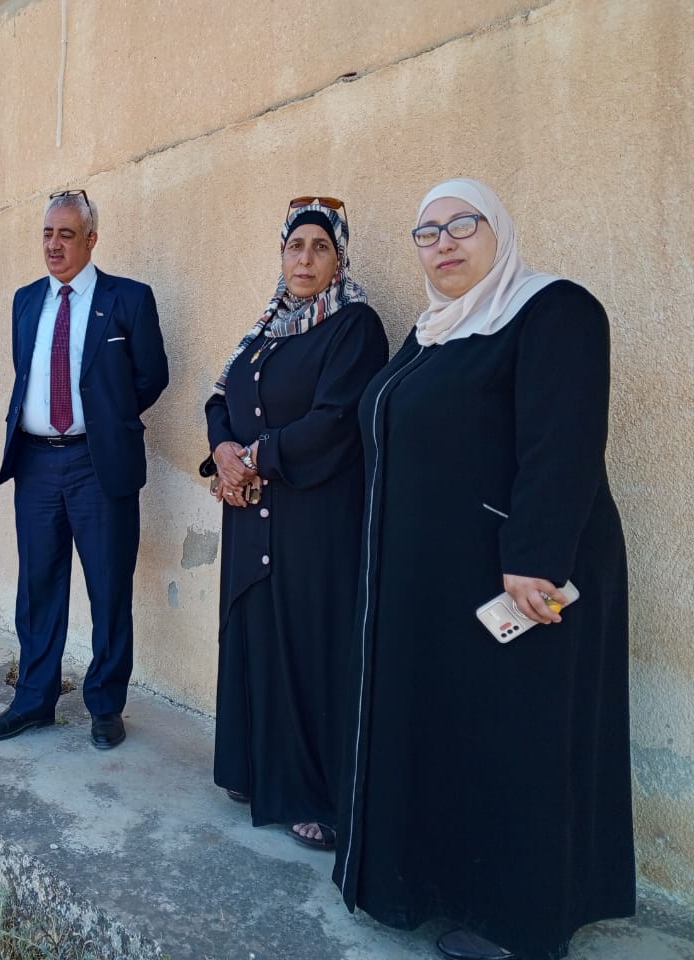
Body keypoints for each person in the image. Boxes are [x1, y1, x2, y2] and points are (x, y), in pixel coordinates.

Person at [333, 179, 634, 960]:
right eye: (427, 232)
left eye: (463, 225)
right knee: (453, 739)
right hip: (436, 581)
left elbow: (563, 441)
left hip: (519, 579)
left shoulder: (553, 309)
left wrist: (534, 559)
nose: (444, 243)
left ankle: (519, 924)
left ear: (498, 231)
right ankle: (435, 887)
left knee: (515, 740)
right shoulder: (433, 332)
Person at [204, 197, 387, 848]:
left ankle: (315, 795)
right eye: (294, 246)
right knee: (255, 634)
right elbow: (220, 398)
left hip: (313, 519)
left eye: (319, 247)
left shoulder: (354, 326)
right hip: (251, 513)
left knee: (308, 648)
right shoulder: (267, 329)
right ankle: (253, 767)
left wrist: (255, 458)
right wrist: (224, 452)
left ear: (339, 258)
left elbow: (336, 419)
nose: (304, 259)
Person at [0, 189, 169, 749]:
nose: (54, 245)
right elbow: (27, 372)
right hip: (36, 462)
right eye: (47, 234)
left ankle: (105, 706)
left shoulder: (128, 298)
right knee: (38, 586)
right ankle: (33, 700)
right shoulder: (25, 300)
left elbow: (152, 375)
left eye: (66, 234)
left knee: (108, 586)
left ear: (91, 239)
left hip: (97, 462)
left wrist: (108, 420)